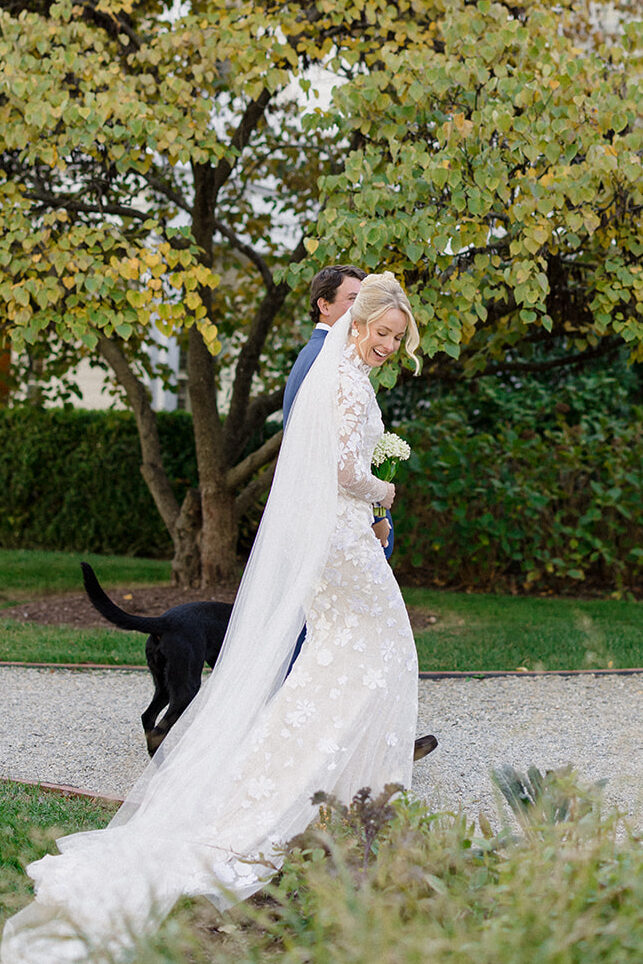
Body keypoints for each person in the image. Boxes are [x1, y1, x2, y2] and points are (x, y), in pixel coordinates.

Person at [2, 272, 427, 964]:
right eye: (379, 332)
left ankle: (332, 799)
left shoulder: (342, 374)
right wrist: (386, 488)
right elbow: (342, 473)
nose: (385, 344)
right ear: (355, 323)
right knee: (384, 659)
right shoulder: (345, 381)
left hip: (339, 545)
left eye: (395, 339)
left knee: (339, 666)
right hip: (344, 545)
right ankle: (348, 806)